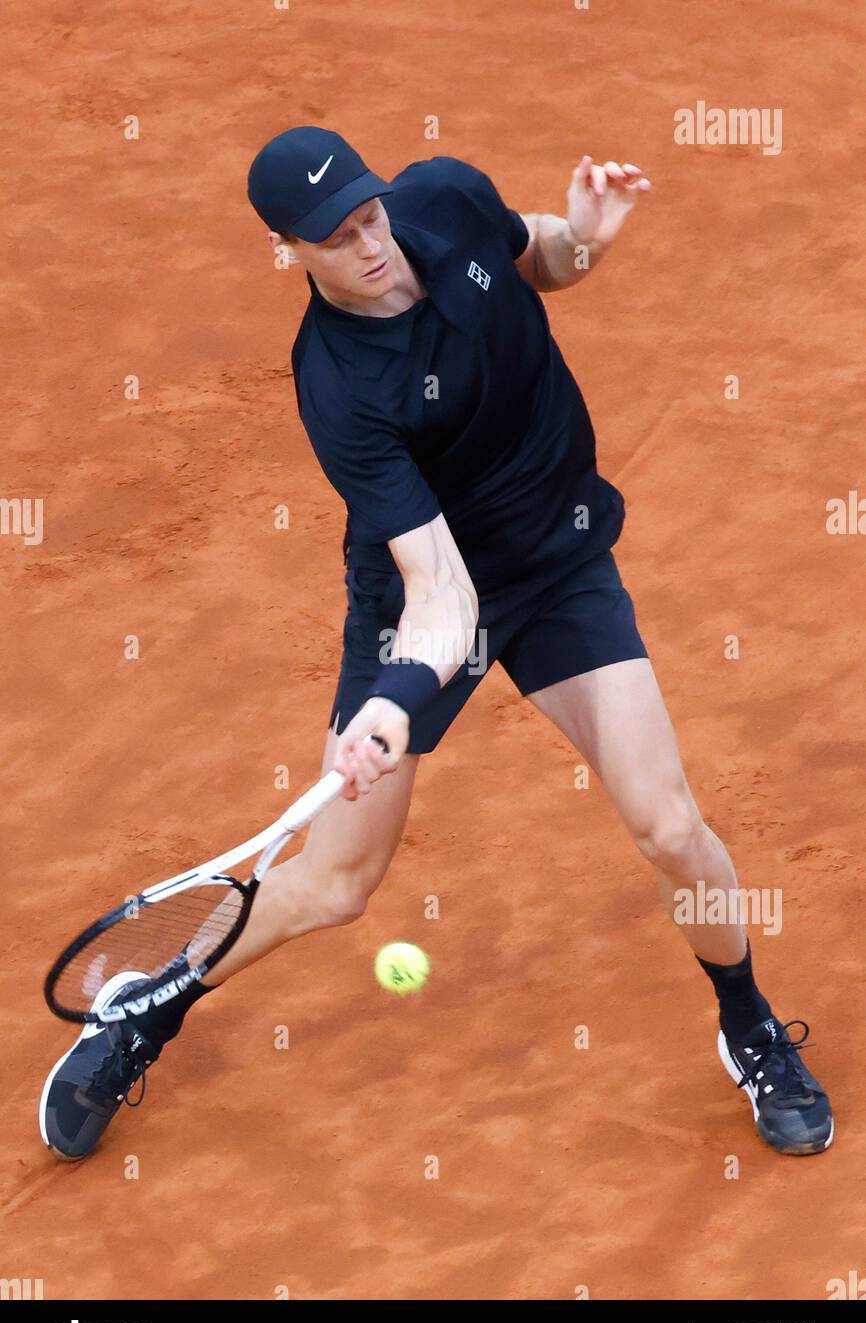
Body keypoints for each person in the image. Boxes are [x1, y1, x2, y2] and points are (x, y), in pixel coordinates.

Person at [39, 127, 832, 1162]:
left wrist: (584, 239)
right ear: (289, 248)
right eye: (335, 235)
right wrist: (392, 697)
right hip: (424, 591)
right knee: (333, 885)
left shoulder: (447, 199)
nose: (368, 244)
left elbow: (534, 257)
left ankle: (749, 1025)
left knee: (669, 825)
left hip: (558, 561)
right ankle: (150, 1005)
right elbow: (441, 597)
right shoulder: (337, 386)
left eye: (368, 214)